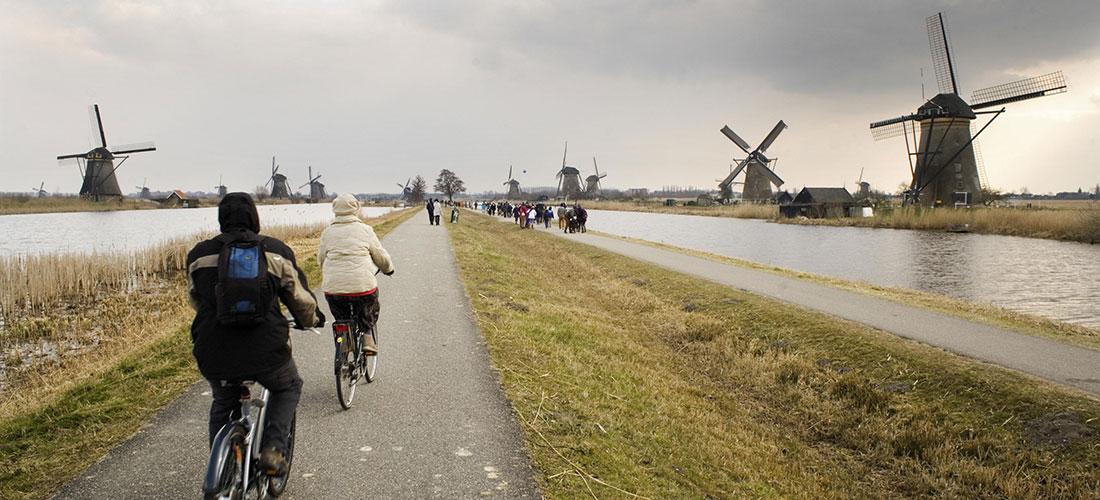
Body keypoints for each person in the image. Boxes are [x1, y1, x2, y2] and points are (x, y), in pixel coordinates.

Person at [187, 192, 324, 475]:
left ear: (221, 218)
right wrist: (311, 320)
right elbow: (298, 298)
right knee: (288, 386)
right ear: (254, 216)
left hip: (214, 349)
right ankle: (273, 450)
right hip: (267, 350)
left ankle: (222, 466)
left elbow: (196, 300)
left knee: (224, 400)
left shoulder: (199, 255)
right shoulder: (275, 251)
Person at [318, 193, 394, 356]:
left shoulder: (327, 232)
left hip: (334, 290)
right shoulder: (365, 230)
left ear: (335, 210)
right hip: (362, 287)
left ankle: (344, 340)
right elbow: (380, 256)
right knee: (369, 304)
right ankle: (367, 335)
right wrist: (388, 269)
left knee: (340, 314)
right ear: (356, 209)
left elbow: (320, 259)